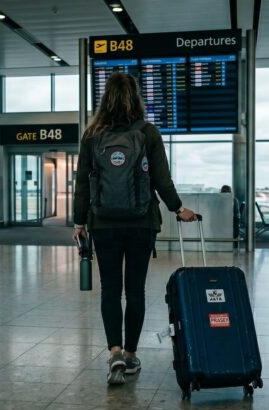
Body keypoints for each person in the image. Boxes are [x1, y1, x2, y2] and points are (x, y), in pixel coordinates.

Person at [72, 72, 196, 386]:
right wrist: (178, 209)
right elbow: (161, 178)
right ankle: (129, 355)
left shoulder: (92, 135)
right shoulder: (148, 132)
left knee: (110, 291)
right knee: (135, 290)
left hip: (103, 224)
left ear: (105, 100)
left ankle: (113, 351)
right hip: (141, 223)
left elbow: (82, 183)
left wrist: (78, 222)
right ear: (135, 98)